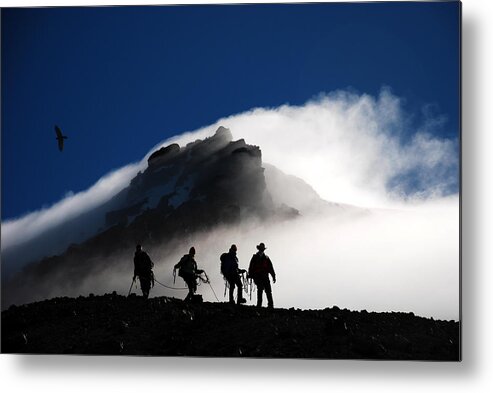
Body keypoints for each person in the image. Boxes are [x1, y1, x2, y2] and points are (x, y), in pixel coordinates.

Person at [248, 242, 276, 308]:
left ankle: (270, 305)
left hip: (264, 276)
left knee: (267, 290)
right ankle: (260, 305)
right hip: (258, 276)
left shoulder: (265, 258)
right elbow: (251, 267)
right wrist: (251, 274)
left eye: (262, 249)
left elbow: (270, 268)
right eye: (261, 249)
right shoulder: (256, 257)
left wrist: (273, 276)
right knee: (261, 290)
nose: (262, 250)